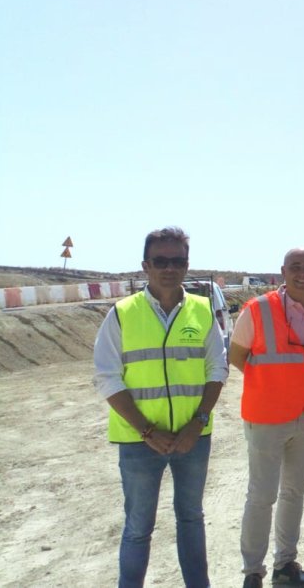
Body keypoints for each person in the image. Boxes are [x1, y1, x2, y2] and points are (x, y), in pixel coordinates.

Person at [93, 227, 227, 588]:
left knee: (191, 519)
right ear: (145, 265)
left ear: (187, 265)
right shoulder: (121, 314)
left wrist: (197, 423)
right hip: (139, 442)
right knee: (138, 527)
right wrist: (147, 431)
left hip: (193, 438)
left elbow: (218, 368)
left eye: (177, 261)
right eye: (161, 261)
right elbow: (107, 378)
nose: (170, 268)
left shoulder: (202, 310)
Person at [230, 248, 304, 588]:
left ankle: (285, 563)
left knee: (294, 492)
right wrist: (271, 386)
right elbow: (237, 355)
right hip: (266, 416)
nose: (303, 273)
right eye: (296, 267)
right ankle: (253, 570)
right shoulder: (258, 310)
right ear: (283, 271)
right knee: (262, 495)